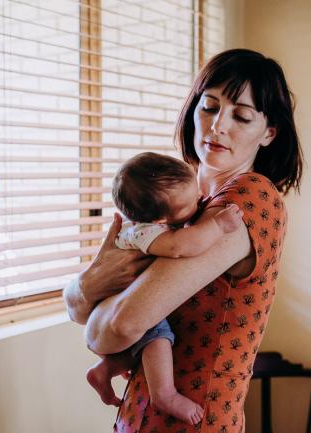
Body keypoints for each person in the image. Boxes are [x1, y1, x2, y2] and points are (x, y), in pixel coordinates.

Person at [64, 48, 303, 433]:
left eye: (241, 116)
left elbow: (119, 326)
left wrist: (94, 308)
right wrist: (91, 284)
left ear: (269, 132)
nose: (217, 126)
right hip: (140, 415)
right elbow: (80, 308)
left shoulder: (248, 201)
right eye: (209, 107)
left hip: (194, 421)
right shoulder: (178, 204)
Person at [86, 152, 243, 425]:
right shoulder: (147, 233)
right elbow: (182, 246)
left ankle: (105, 369)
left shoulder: (140, 226)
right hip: (130, 303)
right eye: (190, 203)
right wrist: (217, 224)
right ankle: (165, 394)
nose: (200, 201)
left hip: (115, 307)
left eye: (197, 194)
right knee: (158, 338)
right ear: (159, 221)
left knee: (142, 346)